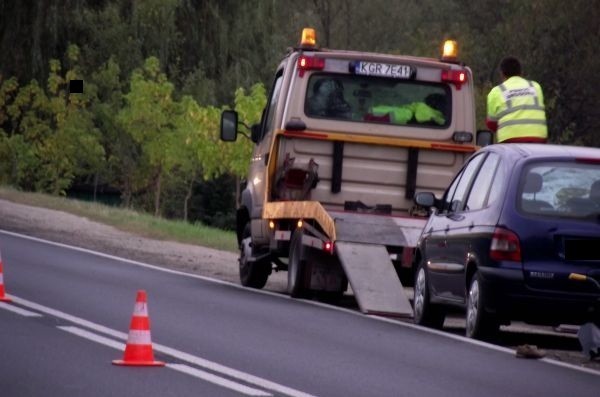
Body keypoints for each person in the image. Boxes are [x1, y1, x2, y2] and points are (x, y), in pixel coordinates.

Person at [486, 56, 548, 143]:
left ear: (502, 74)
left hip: (510, 140)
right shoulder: (535, 87)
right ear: (521, 72)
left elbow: (491, 124)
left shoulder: (496, 92)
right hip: (538, 138)